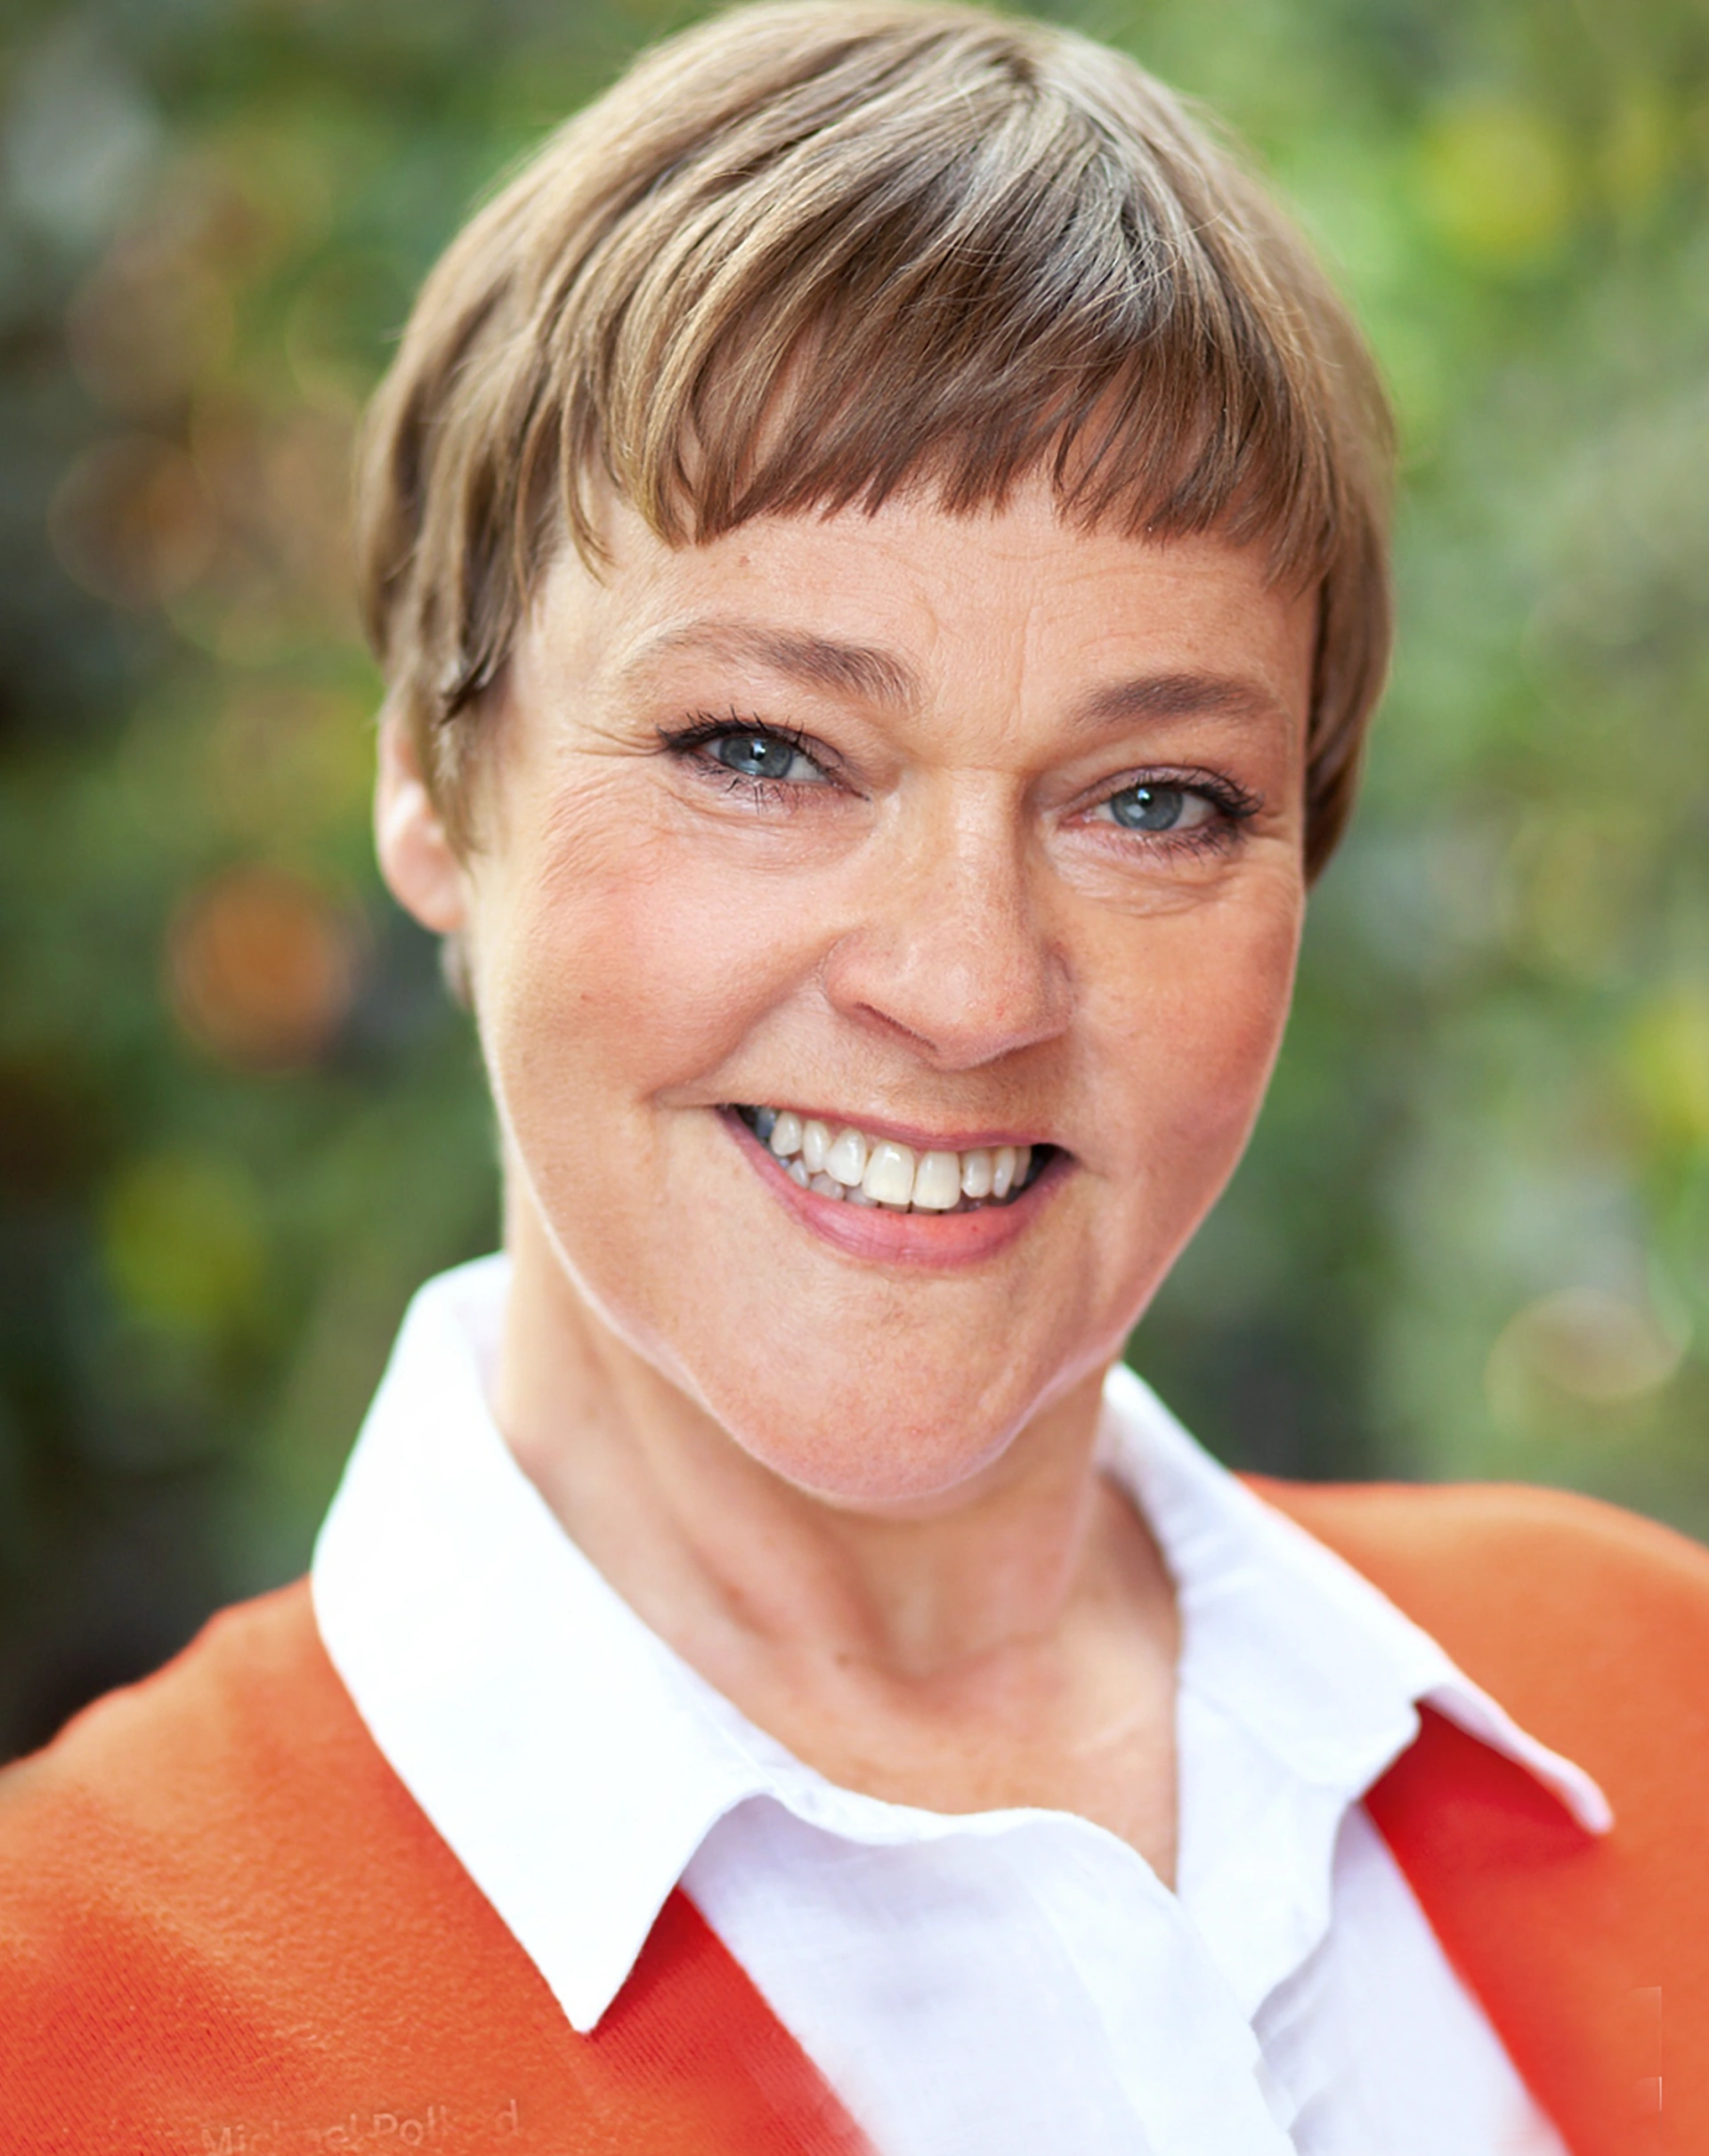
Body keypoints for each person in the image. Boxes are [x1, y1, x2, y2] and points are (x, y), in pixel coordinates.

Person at [4, 5, 1705, 2151]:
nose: (968, 984)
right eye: (761, 750)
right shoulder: (66, 2025)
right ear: (434, 782)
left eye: (1155, 798)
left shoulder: (1663, 1696)